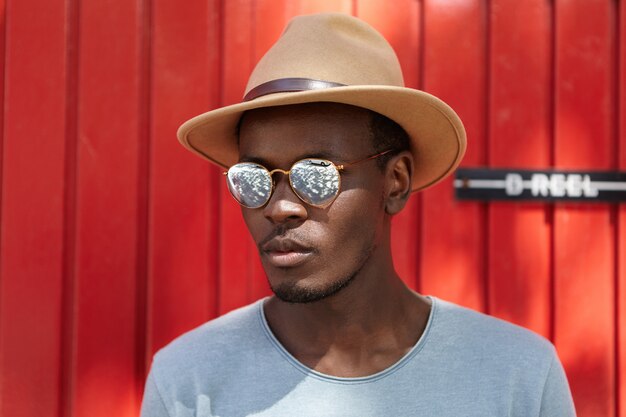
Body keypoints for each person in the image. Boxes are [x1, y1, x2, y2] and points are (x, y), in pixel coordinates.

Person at [140, 13, 576, 417]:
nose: (279, 206)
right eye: (253, 179)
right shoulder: (189, 382)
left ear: (396, 182)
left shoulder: (518, 378)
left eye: (316, 175)